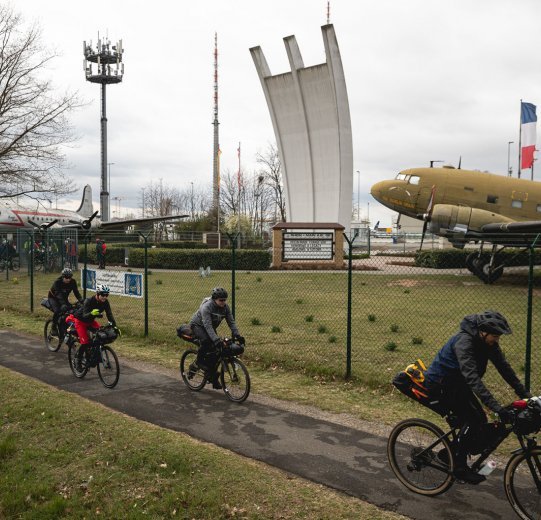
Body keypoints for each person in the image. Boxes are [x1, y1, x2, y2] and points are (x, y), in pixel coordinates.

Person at [423, 310, 531, 484]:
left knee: (479, 419)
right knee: (472, 420)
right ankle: (458, 467)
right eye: (495, 336)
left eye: (498, 336)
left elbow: (505, 369)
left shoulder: (488, 343)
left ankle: (449, 453)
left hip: (458, 385)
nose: (497, 340)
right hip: (441, 385)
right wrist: (496, 407)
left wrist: (526, 396)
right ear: (483, 331)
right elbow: (472, 378)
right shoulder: (464, 343)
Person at [189, 287, 244, 389]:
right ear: (215, 299)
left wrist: (238, 335)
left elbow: (231, 322)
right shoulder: (207, 307)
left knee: (218, 351)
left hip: (209, 327)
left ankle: (212, 377)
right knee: (206, 341)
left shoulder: (225, 308)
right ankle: (199, 362)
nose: (223, 302)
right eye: (221, 300)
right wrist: (216, 340)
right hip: (198, 325)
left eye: (225, 300)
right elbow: (207, 325)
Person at [70, 284, 117, 362]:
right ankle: (78, 360)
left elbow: (109, 314)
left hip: (91, 322)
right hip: (80, 321)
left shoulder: (105, 302)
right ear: (98, 294)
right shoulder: (89, 300)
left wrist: (114, 326)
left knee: (100, 336)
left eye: (107, 295)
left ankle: (96, 355)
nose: (105, 297)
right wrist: (91, 313)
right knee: (85, 343)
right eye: (103, 294)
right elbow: (85, 315)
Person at [47, 267, 83, 336]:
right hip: (53, 298)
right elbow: (58, 294)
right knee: (58, 311)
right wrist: (63, 304)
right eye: (66, 277)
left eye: (70, 277)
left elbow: (76, 292)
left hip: (64, 298)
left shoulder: (73, 282)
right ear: (63, 276)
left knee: (71, 311)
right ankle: (53, 327)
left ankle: (64, 327)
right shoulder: (57, 282)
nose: (68, 279)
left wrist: (81, 300)